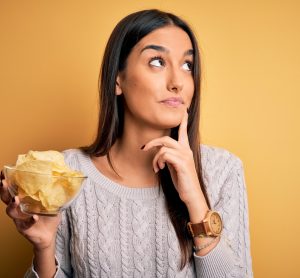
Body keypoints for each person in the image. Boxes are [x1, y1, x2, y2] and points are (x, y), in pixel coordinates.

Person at [0, 9, 253, 278]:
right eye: (157, 62)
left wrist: (195, 200)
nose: (178, 82)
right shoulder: (69, 172)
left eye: (187, 66)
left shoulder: (223, 170)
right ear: (117, 79)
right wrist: (44, 247)